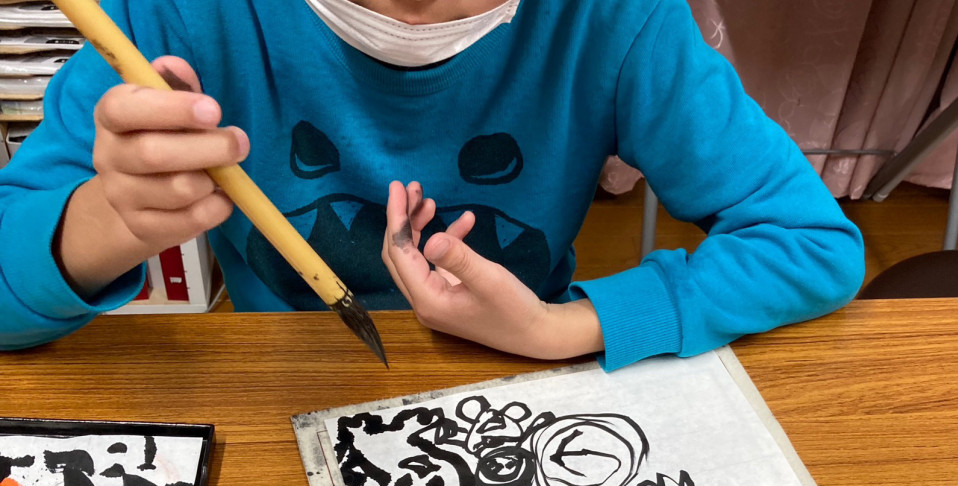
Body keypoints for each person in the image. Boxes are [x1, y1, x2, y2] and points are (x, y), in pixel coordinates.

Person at [0, 0, 865, 365]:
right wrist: (111, 218)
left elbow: (810, 241)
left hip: (527, 389)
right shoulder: (170, 14)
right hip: (283, 388)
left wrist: (565, 327)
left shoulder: (619, 18)